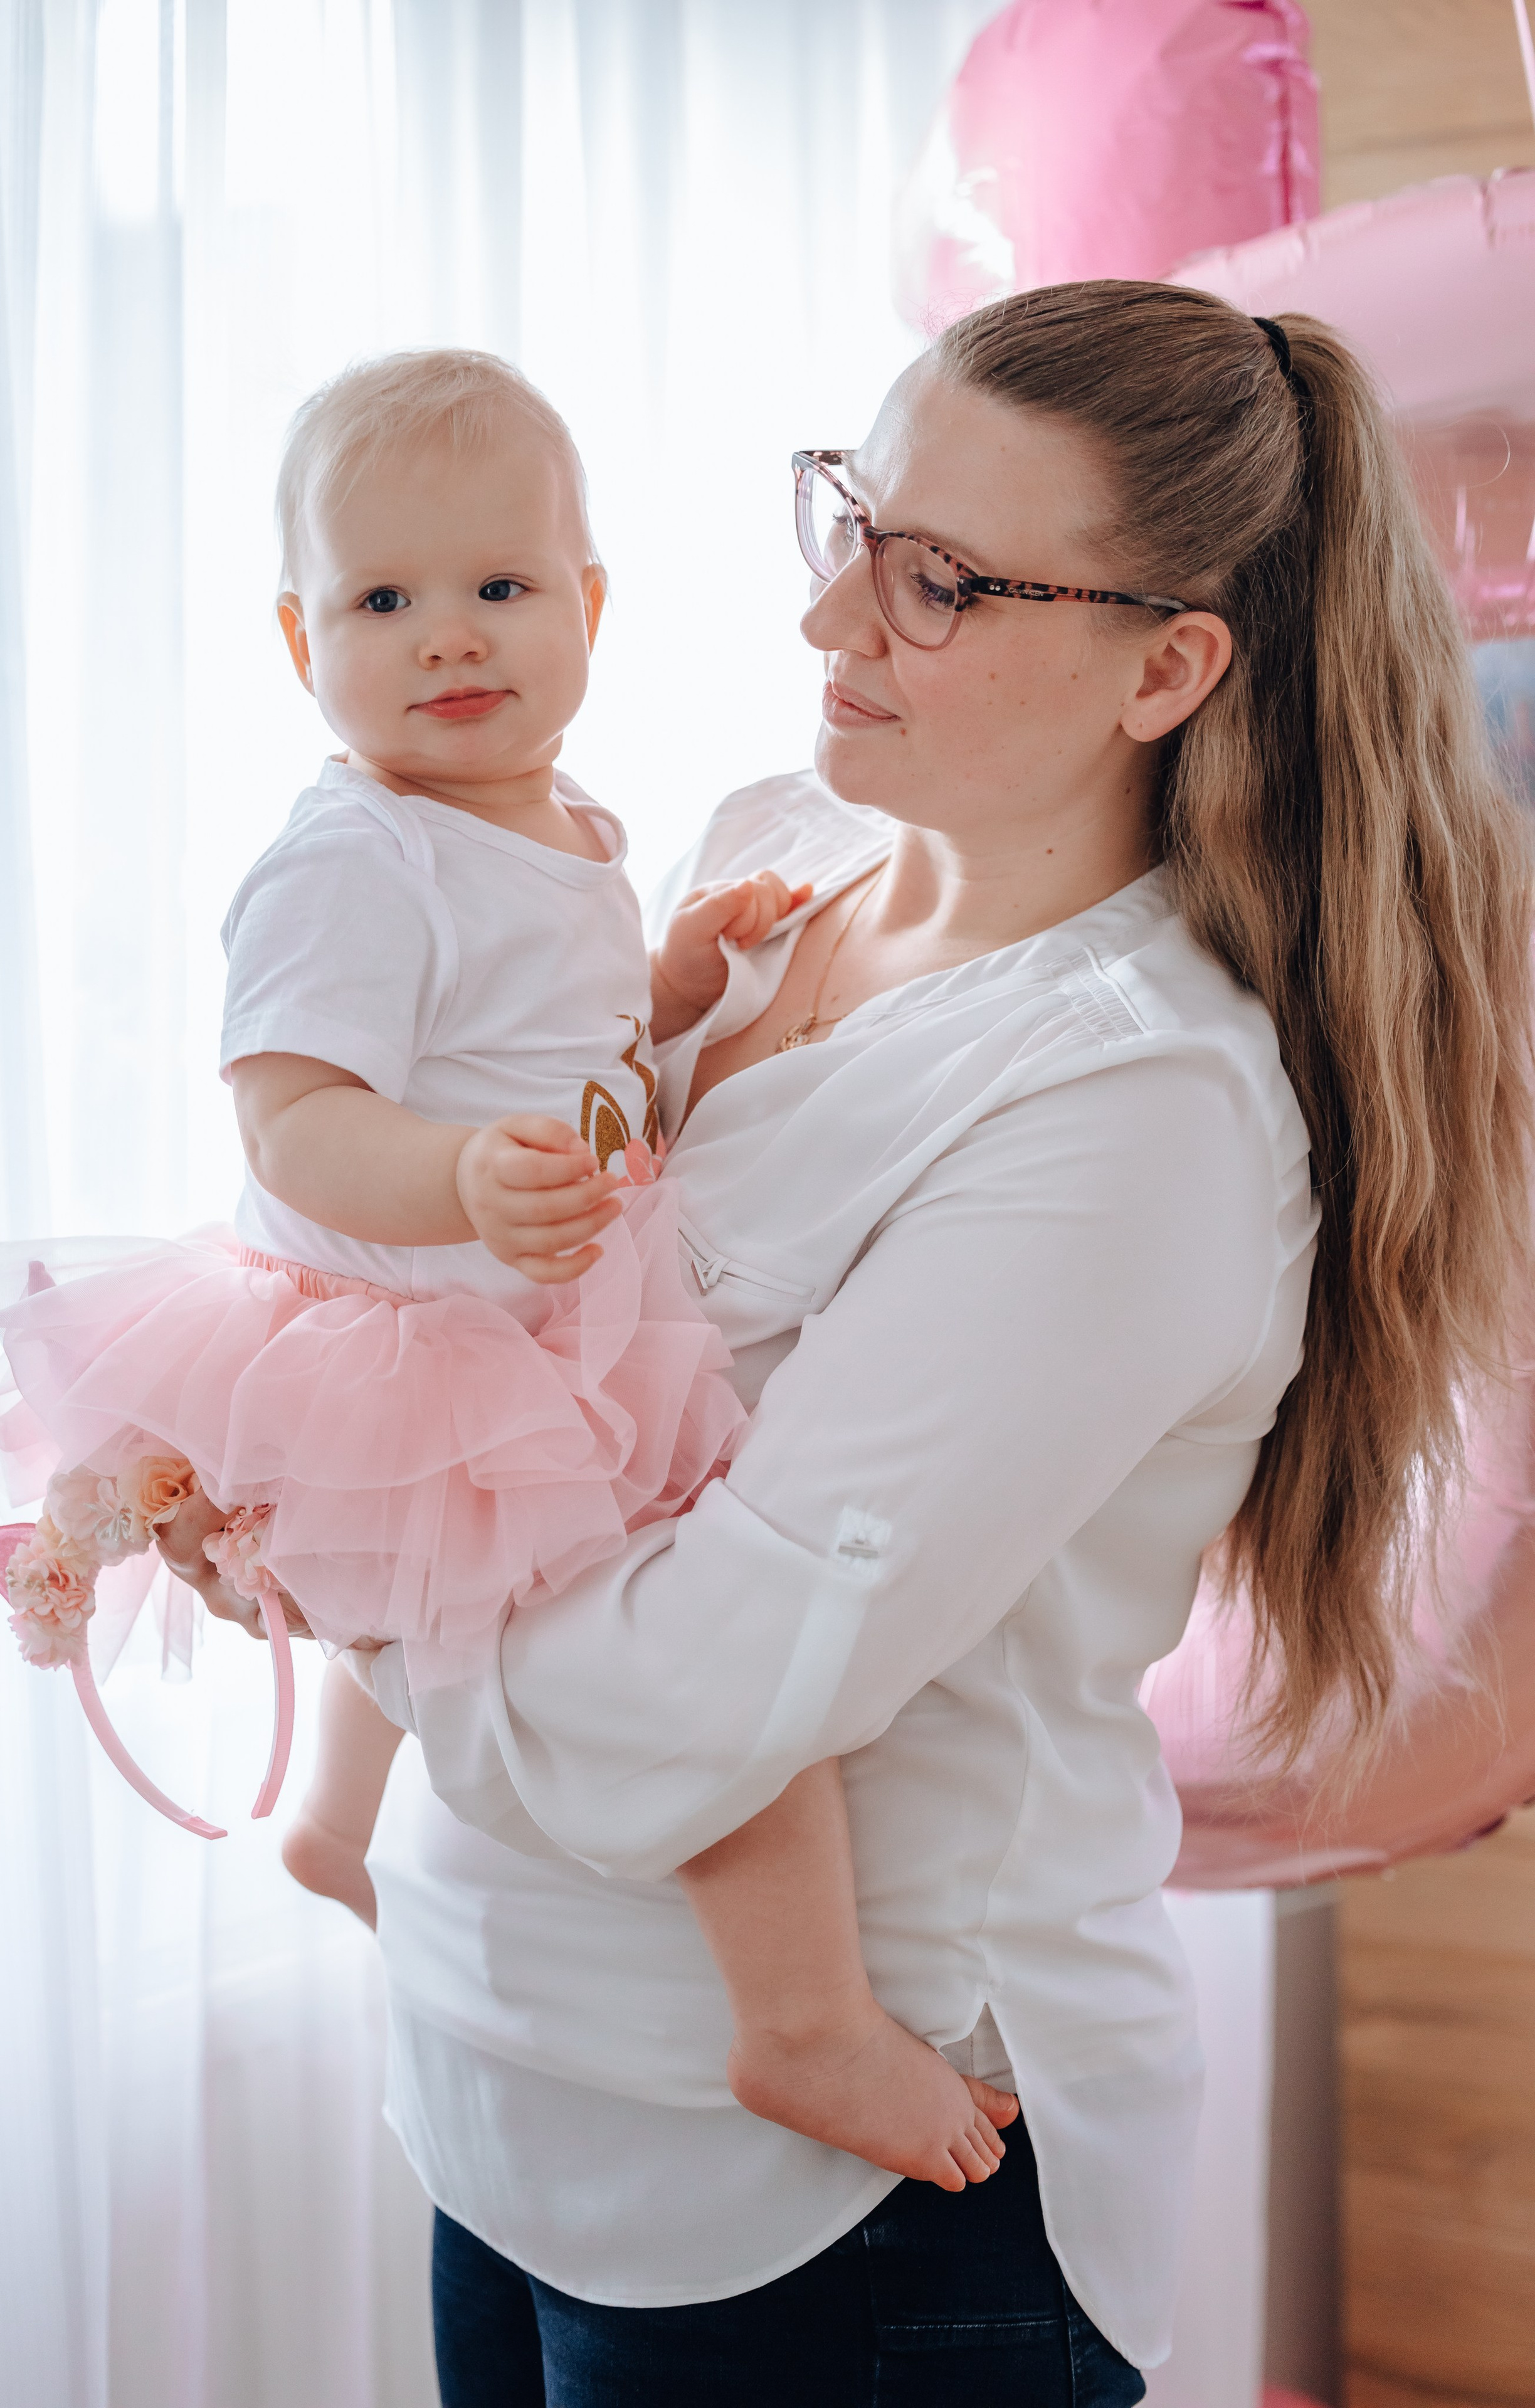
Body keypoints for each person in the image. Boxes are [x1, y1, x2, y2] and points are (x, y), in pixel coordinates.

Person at [161, 283, 1533, 2403]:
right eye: (851, 519)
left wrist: (334, 1541)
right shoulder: (771, 853)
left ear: (1167, 669)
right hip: (496, 2074)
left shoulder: (1131, 1109)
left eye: (941, 580)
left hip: (834, 2223)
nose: (827, 619)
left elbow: (699, 1698)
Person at [0, 346, 1015, 2195]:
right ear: (300, 643)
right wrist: (451, 1175)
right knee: (706, 1632)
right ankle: (802, 2019)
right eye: (382, 601)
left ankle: (332, 1822)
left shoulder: (558, 818)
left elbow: (566, 1042)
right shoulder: (355, 860)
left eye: (501, 586)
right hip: (405, 1320)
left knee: (451, 1574)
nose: (449, 635)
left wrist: (670, 985)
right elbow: (291, 1118)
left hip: (486, 1308)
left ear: (589, 609)